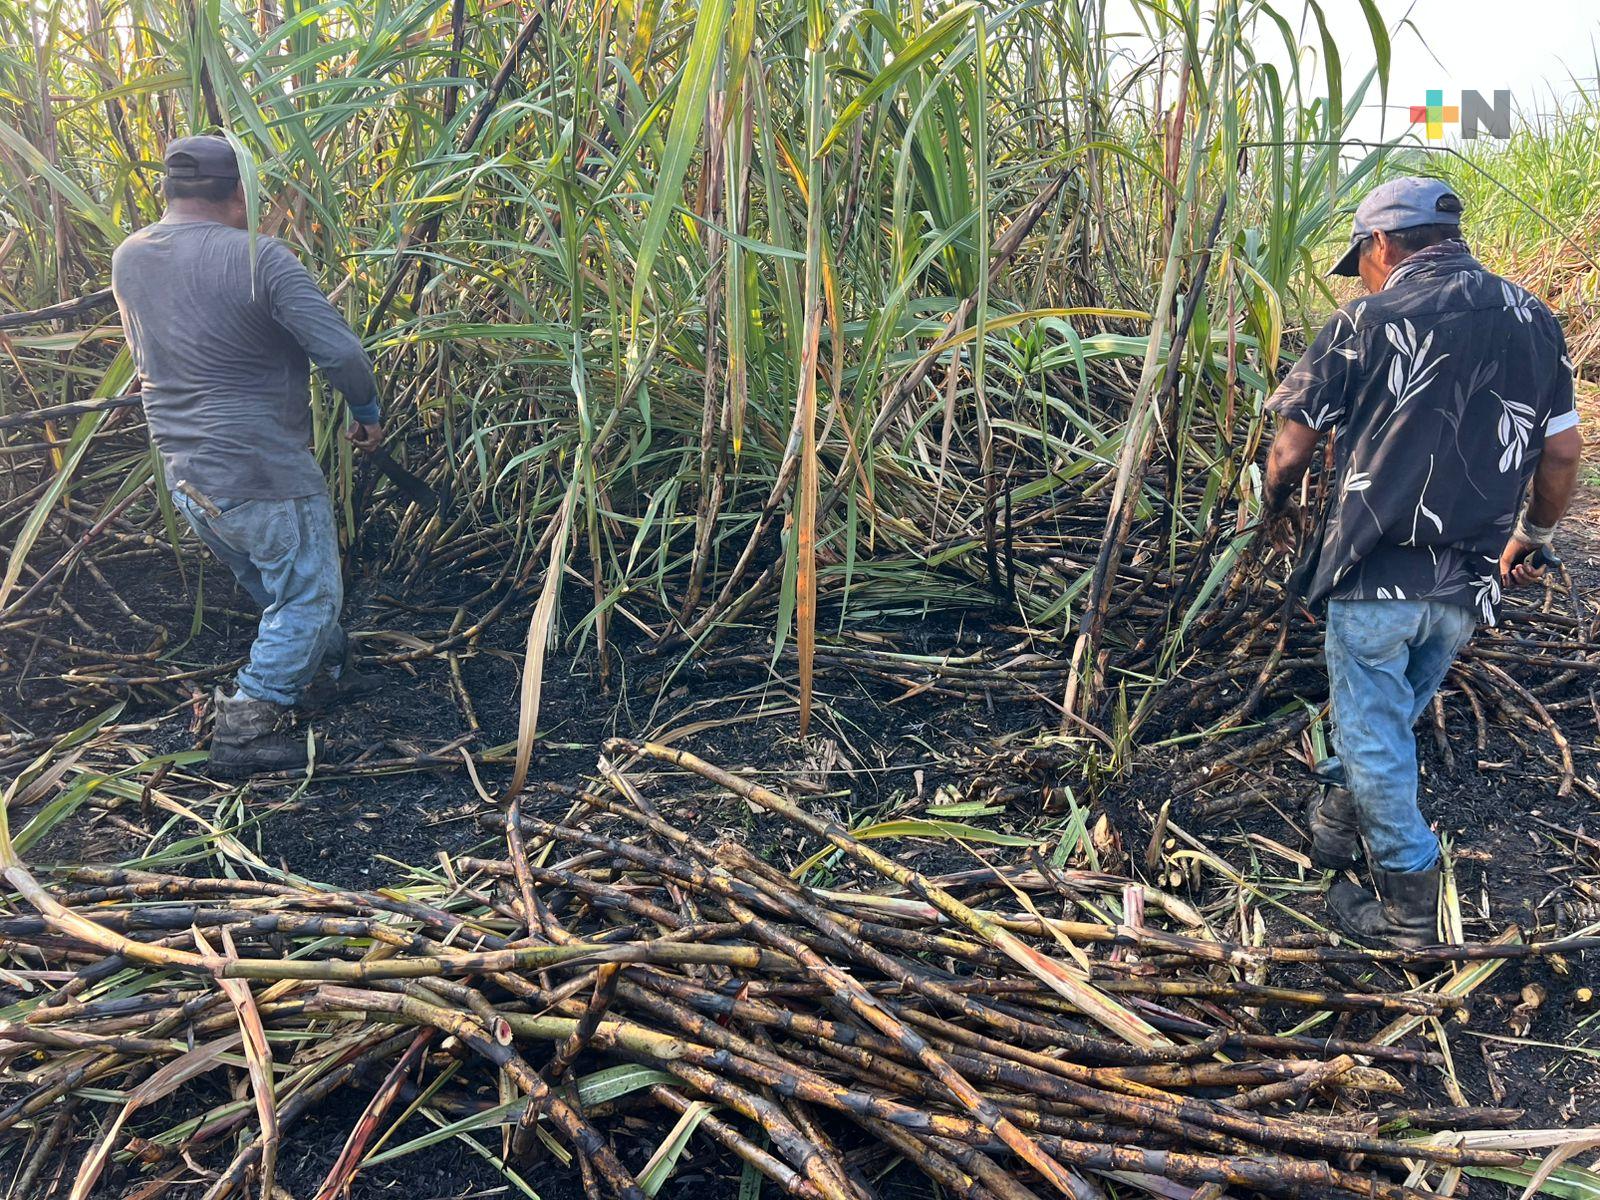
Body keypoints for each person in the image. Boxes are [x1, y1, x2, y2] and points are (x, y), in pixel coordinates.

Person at [1262, 176, 1583, 948]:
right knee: (1387, 717)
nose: (1363, 278)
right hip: (1466, 581)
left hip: (1376, 571)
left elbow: (1291, 448)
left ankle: (1410, 906)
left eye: (1362, 262)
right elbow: (1565, 452)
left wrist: (1273, 508)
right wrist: (1533, 537)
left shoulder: (1365, 320)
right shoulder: (1534, 320)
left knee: (1374, 725)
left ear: (1380, 244)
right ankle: (1338, 822)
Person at [111, 135, 383, 775]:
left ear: (168, 190)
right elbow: (342, 352)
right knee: (309, 598)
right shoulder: (263, 258)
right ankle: (246, 724)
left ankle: (326, 674)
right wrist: (366, 412)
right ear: (241, 191)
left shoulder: (130, 256)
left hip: (187, 474)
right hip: (260, 467)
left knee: (275, 585)